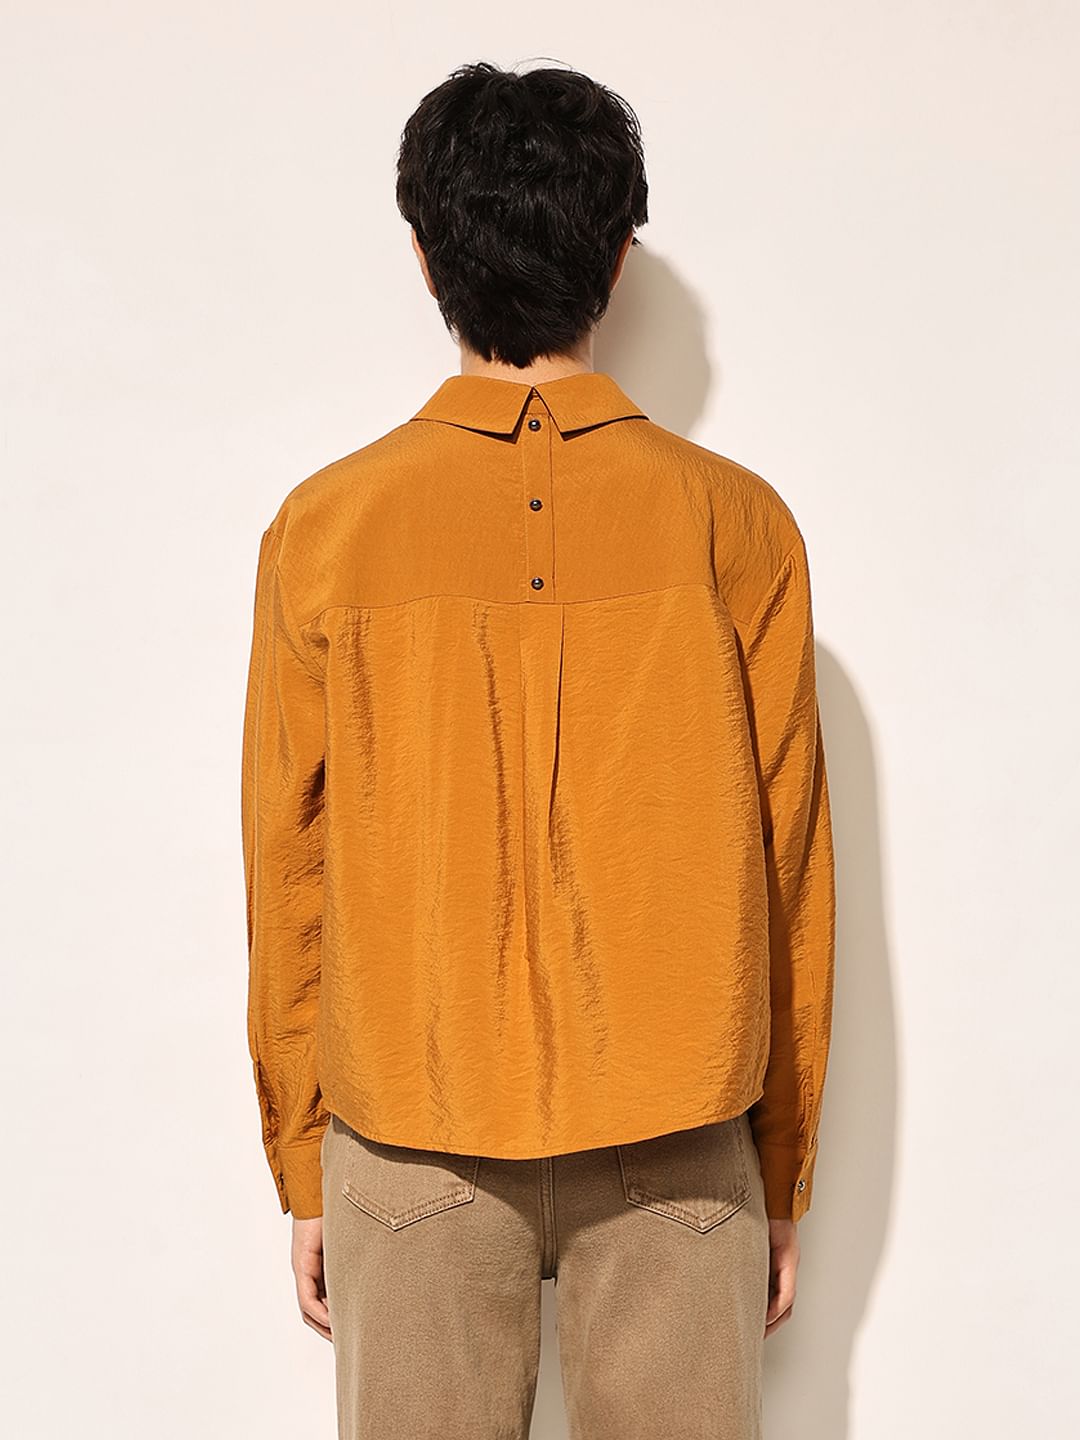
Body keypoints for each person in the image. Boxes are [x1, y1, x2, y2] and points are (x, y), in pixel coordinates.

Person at [241, 58, 836, 1440]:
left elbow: (288, 865)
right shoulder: (737, 527)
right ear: (617, 257)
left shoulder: (326, 530)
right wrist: (782, 1168)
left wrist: (304, 1161)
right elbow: (792, 869)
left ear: (424, 256)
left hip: (409, 1139)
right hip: (683, 1145)